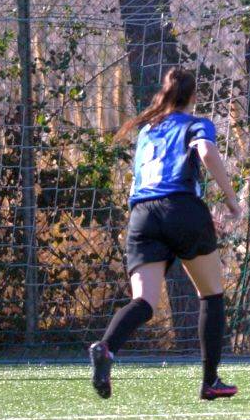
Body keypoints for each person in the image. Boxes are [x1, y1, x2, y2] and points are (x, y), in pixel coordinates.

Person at [89, 68, 241, 400]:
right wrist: (230, 200)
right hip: (182, 207)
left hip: (142, 215)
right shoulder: (196, 123)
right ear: (194, 97)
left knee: (143, 302)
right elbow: (206, 152)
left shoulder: (147, 130)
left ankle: (105, 347)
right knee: (212, 296)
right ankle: (210, 381)